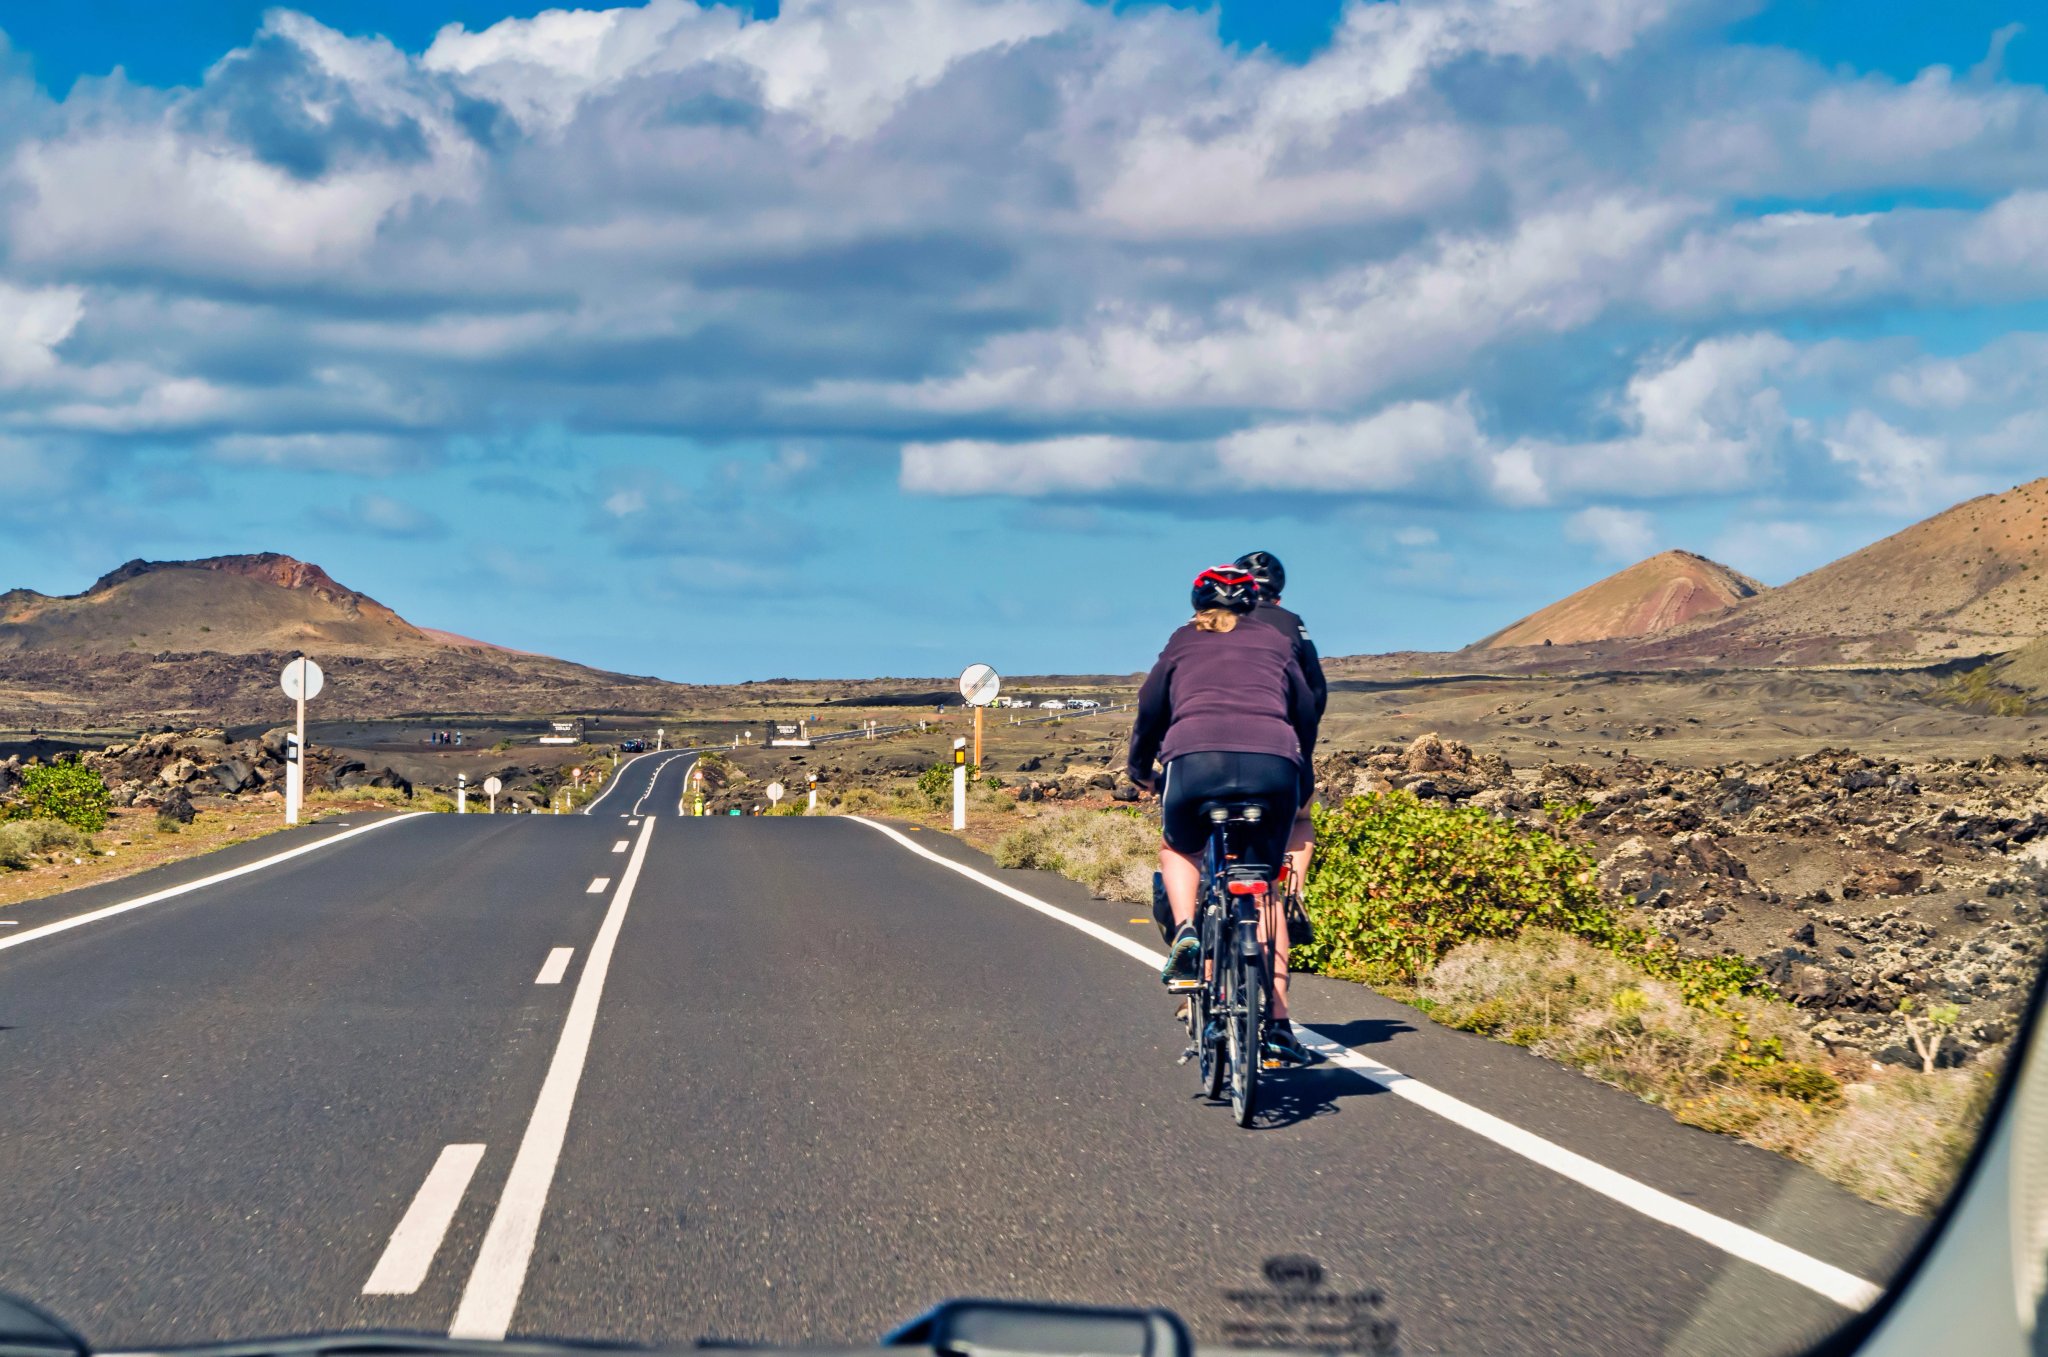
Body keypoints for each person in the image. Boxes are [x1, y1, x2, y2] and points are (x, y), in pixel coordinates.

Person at [1127, 564, 1318, 1065]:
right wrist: (1302, 768)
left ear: (1197, 604)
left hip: (1195, 763)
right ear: (1255, 602)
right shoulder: (1276, 643)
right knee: (1265, 885)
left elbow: (1150, 709)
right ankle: (1277, 1023)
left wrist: (1138, 768)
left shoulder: (1183, 640)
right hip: (1273, 767)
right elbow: (1305, 709)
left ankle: (1188, 930)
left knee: (1179, 846)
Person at [1235, 550, 1324, 897]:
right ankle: (1294, 894)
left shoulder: (1211, 624)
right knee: (1299, 819)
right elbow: (1315, 691)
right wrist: (1305, 746)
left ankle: (1196, 903)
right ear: (1278, 596)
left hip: (1207, 754)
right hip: (1280, 749)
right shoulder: (1291, 623)